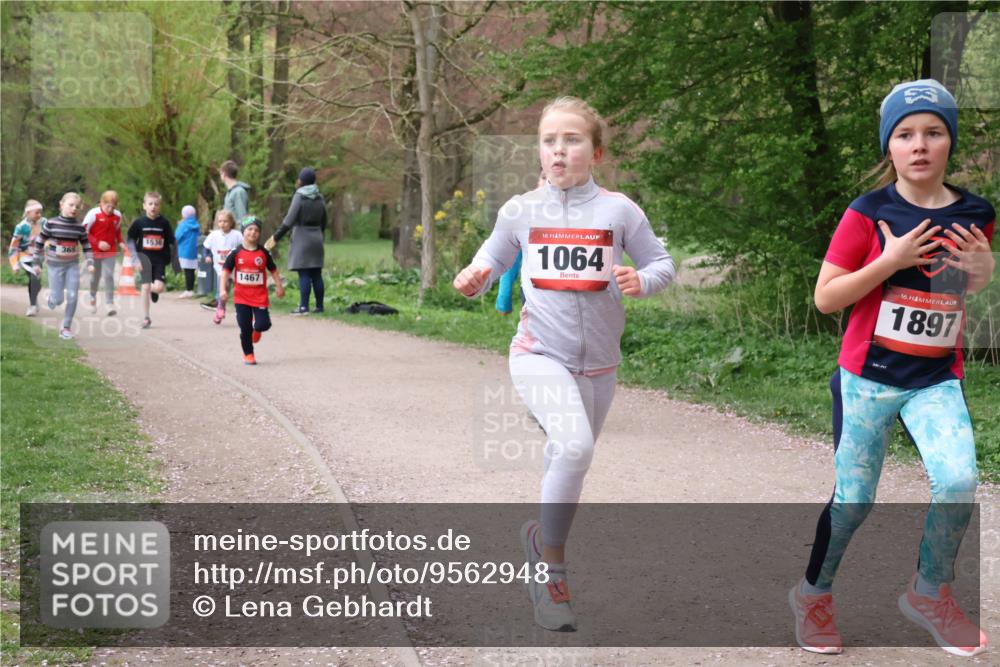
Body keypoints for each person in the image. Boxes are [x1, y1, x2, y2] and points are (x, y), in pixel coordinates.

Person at [453, 96, 675, 631]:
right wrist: (475, 273)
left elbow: (662, 263)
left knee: (568, 456)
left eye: (572, 139)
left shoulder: (620, 211)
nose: (559, 149)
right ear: (539, 152)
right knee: (575, 446)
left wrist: (641, 281)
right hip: (538, 354)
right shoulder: (520, 210)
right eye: (549, 140)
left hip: (600, 367)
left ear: (595, 151)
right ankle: (551, 570)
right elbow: (493, 255)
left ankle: (538, 539)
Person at [790, 80, 994, 657]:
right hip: (867, 380)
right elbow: (827, 299)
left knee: (956, 481)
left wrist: (982, 271)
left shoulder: (977, 212)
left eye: (933, 131)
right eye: (905, 134)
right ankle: (813, 595)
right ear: (890, 147)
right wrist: (890, 258)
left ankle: (931, 591)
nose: (920, 144)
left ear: (950, 141)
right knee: (854, 501)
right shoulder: (868, 212)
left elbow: (961, 290)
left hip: (934, 378)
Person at [220, 216, 285, 365]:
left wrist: (279, 287)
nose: (253, 232)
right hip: (241, 298)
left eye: (256, 230)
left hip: (259, 297)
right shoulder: (235, 253)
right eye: (249, 229)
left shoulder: (263, 253)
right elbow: (225, 272)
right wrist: (222, 290)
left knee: (263, 324)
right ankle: (248, 354)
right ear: (243, 232)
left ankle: (257, 329)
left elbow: (273, 270)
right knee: (245, 328)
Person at [265, 167, 327, 314]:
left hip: (302, 237)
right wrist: (320, 234)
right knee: (316, 274)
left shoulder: (299, 196)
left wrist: (275, 237)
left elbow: (289, 221)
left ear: (302, 181)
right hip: (317, 237)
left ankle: (303, 307)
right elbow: (325, 219)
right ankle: (319, 307)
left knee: (304, 273)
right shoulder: (320, 197)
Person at [33, 192, 94, 339]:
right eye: (71, 205)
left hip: (72, 265)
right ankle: (53, 299)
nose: (74, 209)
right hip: (55, 265)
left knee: (73, 296)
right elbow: (40, 241)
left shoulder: (79, 227)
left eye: (77, 206)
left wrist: (90, 262)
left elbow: (86, 245)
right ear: (62, 205)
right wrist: (36, 261)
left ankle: (66, 328)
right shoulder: (52, 223)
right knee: (58, 299)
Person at [127, 192, 175, 329]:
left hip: (159, 260)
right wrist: (135, 258)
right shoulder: (139, 222)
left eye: (156, 204)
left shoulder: (164, 223)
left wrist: (172, 258)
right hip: (144, 259)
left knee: (158, 288)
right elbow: (130, 239)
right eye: (150, 204)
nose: (153, 207)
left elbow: (171, 241)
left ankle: (154, 291)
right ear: (144, 206)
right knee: (146, 286)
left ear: (160, 207)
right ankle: (146, 317)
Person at [82, 190, 127, 316]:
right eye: (108, 206)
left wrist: (121, 242)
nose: (110, 209)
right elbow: (84, 232)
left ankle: (109, 303)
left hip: (110, 250)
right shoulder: (93, 214)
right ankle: (92, 297)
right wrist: (98, 243)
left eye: (113, 207)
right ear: (102, 203)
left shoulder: (117, 216)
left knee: (108, 275)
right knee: (94, 277)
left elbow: (117, 231)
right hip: (94, 251)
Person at [203, 209, 243, 324]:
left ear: (231, 222)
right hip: (221, 268)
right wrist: (207, 256)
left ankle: (242, 309)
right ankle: (220, 308)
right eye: (220, 221)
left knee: (240, 289)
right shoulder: (214, 235)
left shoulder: (237, 235)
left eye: (225, 221)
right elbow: (206, 247)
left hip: (236, 268)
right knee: (223, 288)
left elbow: (244, 246)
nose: (222, 224)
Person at [9, 199, 45, 317]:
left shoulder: (44, 222)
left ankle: (34, 297)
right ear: (28, 212)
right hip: (25, 257)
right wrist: (15, 264)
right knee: (34, 277)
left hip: (39, 256)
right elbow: (14, 246)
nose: (40, 215)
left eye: (41, 212)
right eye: (37, 212)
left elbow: (51, 237)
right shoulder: (21, 227)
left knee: (37, 282)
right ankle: (33, 305)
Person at [175, 205, 201, 298]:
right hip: (194, 251)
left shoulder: (183, 225)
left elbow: (177, 236)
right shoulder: (197, 224)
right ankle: (191, 288)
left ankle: (188, 290)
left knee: (187, 271)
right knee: (192, 270)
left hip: (185, 251)